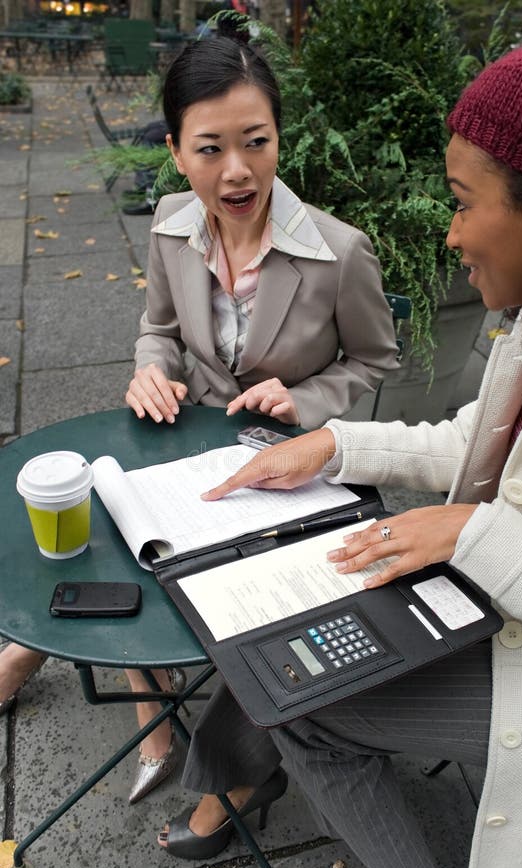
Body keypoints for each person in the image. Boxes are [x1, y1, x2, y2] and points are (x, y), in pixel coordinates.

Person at [154, 38, 522, 868]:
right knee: (270, 646)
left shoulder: (342, 251)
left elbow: (380, 366)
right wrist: (334, 447)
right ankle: (235, 781)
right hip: (501, 610)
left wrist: (479, 534)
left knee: (301, 700)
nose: (451, 232)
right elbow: (481, 439)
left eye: (465, 204)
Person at [123, 31, 400, 806]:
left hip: (293, 476)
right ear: (177, 151)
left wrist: (305, 402)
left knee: (251, 614)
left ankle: (233, 775)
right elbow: (160, 330)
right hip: (191, 453)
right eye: (210, 148)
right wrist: (152, 369)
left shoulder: (340, 253)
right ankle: (152, 713)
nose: (238, 170)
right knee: (116, 544)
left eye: (257, 142)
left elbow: (378, 359)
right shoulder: (171, 224)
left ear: (280, 137)